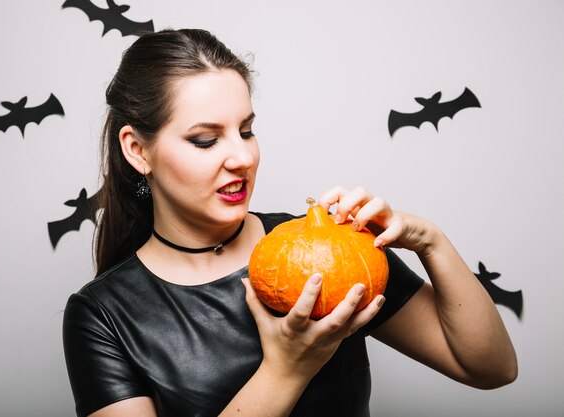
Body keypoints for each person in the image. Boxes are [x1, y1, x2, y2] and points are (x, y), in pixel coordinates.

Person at [62, 28, 517, 417]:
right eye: (205, 140)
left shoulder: (332, 252)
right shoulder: (101, 316)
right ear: (138, 151)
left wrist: (429, 241)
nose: (241, 158)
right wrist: (287, 368)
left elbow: (492, 369)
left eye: (246, 130)